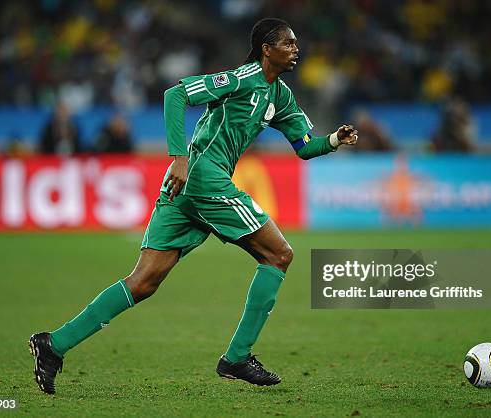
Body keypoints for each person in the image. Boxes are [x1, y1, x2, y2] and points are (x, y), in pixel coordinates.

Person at [28, 18, 358, 394]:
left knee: (144, 281)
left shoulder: (280, 96)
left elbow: (304, 147)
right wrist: (179, 158)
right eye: (288, 43)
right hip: (202, 178)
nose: (296, 49)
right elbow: (175, 95)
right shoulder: (239, 79)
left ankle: (53, 345)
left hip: (186, 190)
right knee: (279, 254)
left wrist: (333, 140)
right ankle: (237, 357)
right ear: (267, 49)